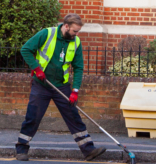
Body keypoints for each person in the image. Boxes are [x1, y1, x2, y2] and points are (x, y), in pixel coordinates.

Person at [15, 13, 106, 161]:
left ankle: (88, 150)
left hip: (61, 86)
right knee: (33, 116)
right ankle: (21, 149)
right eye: (74, 31)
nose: (76, 34)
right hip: (41, 85)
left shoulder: (75, 42)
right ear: (66, 26)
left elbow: (78, 67)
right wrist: (37, 69)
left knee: (73, 116)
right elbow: (25, 50)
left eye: (78, 32)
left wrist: (75, 90)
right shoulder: (47, 34)